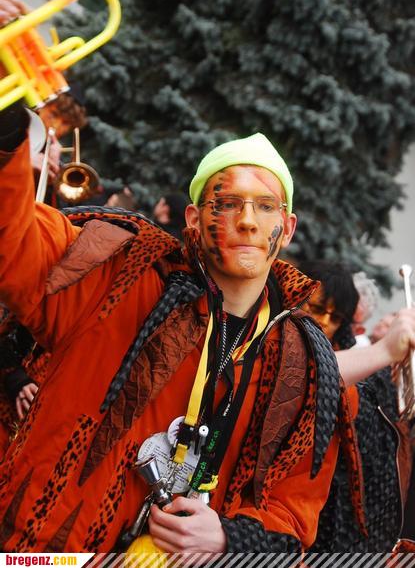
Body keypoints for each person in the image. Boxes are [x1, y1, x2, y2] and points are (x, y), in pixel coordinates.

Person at [1, 105, 415, 556]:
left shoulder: (300, 361)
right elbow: (14, 241)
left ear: (287, 228)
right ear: (194, 219)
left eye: (265, 207)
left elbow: (293, 512)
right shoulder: (117, 274)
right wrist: (8, 127)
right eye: (227, 204)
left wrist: (229, 539)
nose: (248, 221)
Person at [298, 259, 413, 551]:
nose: (324, 321)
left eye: (335, 316)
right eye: (316, 308)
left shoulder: (369, 380)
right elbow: (300, 372)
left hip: (350, 525)